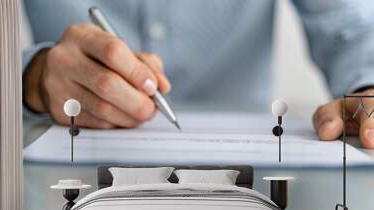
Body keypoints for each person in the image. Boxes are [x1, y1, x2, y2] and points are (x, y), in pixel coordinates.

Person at [23, 1, 374, 148]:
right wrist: (31, 76)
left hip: (250, 175)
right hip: (48, 164)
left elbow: (351, 22)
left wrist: (368, 84)